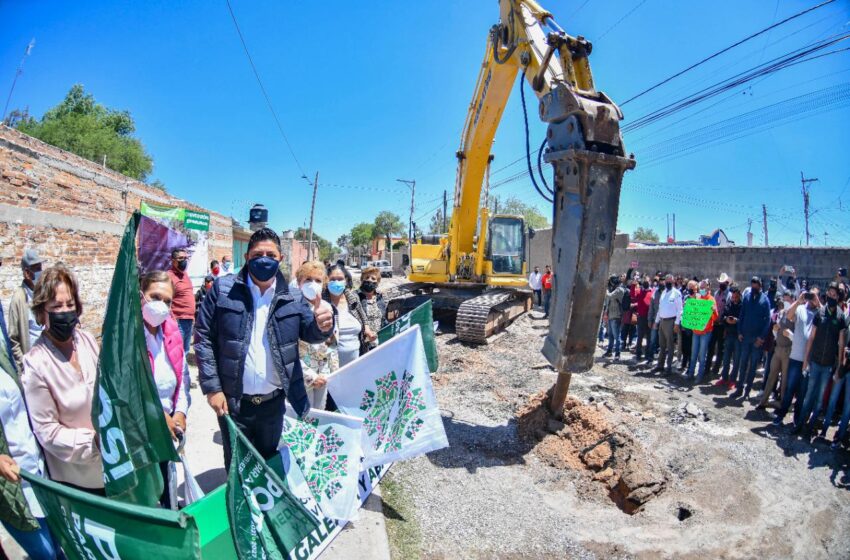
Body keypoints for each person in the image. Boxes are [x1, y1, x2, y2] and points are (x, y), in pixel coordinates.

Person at [195, 228, 334, 468]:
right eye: (258, 254)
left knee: (268, 465)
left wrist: (324, 326)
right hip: (233, 404)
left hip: (273, 404)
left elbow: (310, 332)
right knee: (237, 466)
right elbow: (203, 337)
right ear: (247, 257)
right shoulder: (222, 290)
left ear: (280, 258)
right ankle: (237, 505)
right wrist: (212, 388)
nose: (264, 258)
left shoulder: (293, 296)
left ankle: (263, 506)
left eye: (271, 254)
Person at [22, 265, 104, 493]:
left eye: (70, 304)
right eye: (57, 306)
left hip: (111, 467)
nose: (66, 311)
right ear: (41, 313)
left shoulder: (86, 340)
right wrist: (93, 442)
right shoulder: (36, 363)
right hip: (77, 482)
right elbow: (47, 431)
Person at [140, 271, 191, 508]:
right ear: (141, 295)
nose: (161, 306)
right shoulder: (130, 337)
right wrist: (159, 418)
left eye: (168, 301)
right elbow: (129, 388)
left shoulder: (171, 330)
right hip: (141, 432)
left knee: (168, 487)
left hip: (170, 427)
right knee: (147, 495)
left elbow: (182, 375)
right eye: (155, 297)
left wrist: (180, 411)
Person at [0, 368, 62, 560]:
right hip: (10, 488)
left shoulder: (3, 357)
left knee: (60, 542)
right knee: (45, 553)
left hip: (39, 470)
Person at [797, 282, 846, 435]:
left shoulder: (840, 317)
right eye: (829, 294)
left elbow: (841, 344)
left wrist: (839, 368)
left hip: (828, 365)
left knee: (819, 400)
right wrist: (806, 361)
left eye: (834, 294)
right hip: (815, 362)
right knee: (808, 396)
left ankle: (810, 428)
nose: (831, 296)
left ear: (838, 297)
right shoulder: (820, 313)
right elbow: (811, 338)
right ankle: (799, 425)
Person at [773, 288, 820, 428]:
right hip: (795, 357)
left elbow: (825, 317)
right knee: (789, 389)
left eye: (814, 295)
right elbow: (788, 315)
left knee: (802, 392)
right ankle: (781, 415)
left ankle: (797, 419)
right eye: (809, 295)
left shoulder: (819, 313)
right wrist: (799, 300)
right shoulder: (800, 309)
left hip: (809, 360)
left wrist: (817, 302)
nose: (811, 298)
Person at [296, 262, 337, 409]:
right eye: (307, 280)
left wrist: (332, 374)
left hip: (324, 376)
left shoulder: (329, 308)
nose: (313, 284)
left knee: (318, 418)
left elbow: (333, 345)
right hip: (301, 376)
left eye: (318, 280)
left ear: (324, 284)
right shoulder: (293, 309)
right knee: (302, 418)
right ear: (299, 283)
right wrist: (311, 376)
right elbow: (288, 350)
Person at [325, 264, 373, 367]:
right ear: (326, 281)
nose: (336, 282)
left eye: (340, 279)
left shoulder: (353, 298)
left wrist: (368, 330)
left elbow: (364, 318)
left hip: (357, 360)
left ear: (346, 280)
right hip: (330, 364)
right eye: (332, 279)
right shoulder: (322, 303)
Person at [731, 277, 771, 400]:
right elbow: (742, 315)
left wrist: (761, 338)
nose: (753, 287)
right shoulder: (747, 297)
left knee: (753, 366)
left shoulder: (765, 300)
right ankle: (739, 388)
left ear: (760, 285)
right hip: (745, 337)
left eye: (756, 285)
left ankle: (747, 391)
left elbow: (767, 321)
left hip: (756, 340)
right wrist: (739, 332)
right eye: (752, 285)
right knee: (742, 364)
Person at [8, 249, 45, 373]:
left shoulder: (44, 293)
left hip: (48, 359)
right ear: (27, 273)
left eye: (41, 267)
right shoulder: (18, 299)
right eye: (37, 268)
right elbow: (13, 338)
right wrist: (23, 363)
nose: (41, 272)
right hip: (32, 364)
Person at [757, 292, 794, 409]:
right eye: (784, 300)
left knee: (784, 379)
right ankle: (763, 401)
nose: (785, 302)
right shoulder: (782, 313)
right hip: (777, 349)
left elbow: (799, 337)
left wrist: (790, 335)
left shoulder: (796, 315)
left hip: (788, 351)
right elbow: (776, 332)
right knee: (771, 375)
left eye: (788, 300)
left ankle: (783, 405)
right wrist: (775, 330)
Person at [686, 279, 717, 383]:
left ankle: (699, 376)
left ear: (708, 287)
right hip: (696, 331)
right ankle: (690, 373)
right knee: (694, 353)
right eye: (701, 287)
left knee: (702, 355)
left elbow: (715, 318)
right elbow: (691, 311)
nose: (702, 289)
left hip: (706, 332)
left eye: (704, 287)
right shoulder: (697, 298)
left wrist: (713, 311)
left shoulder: (711, 300)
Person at [166, 248, 195, 357]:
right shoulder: (169, 276)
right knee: (176, 352)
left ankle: (182, 373)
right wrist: (172, 318)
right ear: (173, 260)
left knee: (186, 350)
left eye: (186, 258)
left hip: (188, 320)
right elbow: (165, 299)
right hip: (178, 320)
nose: (184, 261)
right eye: (181, 258)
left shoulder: (185, 274)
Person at [653, 274, 682, 374]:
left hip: (671, 321)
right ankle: (660, 365)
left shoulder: (677, 293)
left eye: (670, 281)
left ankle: (668, 367)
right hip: (662, 321)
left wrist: (677, 324)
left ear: (673, 282)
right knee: (662, 345)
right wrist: (656, 322)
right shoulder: (664, 292)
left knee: (670, 346)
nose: (668, 282)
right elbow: (660, 308)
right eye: (667, 281)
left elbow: (680, 311)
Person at [706, 273, 731, 374]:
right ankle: (707, 368)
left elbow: (728, 311)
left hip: (722, 325)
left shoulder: (729, 295)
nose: (721, 284)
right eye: (720, 282)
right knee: (711, 346)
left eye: (723, 282)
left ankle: (716, 368)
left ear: (726, 283)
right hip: (714, 324)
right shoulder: (716, 293)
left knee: (720, 347)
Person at [718, 287, 742, 387]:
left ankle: (732, 379)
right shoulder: (729, 304)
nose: (734, 298)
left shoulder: (743, 307)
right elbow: (722, 316)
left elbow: (744, 321)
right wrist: (726, 319)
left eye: (736, 297)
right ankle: (724, 377)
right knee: (726, 358)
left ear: (739, 296)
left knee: (736, 359)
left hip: (738, 336)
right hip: (728, 334)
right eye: (733, 297)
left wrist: (737, 321)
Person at [358, 266, 387, 347]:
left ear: (377, 282)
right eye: (367, 277)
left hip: (379, 341)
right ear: (362, 279)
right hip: (363, 343)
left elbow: (383, 319)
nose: (370, 280)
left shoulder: (380, 297)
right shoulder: (356, 297)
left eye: (373, 278)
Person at [602, 275, 625, 359]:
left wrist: (606, 288)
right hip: (611, 315)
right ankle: (609, 351)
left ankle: (617, 354)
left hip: (616, 316)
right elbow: (609, 302)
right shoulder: (615, 289)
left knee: (616, 336)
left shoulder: (619, 290)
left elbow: (609, 296)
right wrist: (606, 313)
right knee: (610, 335)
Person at [634, 279, 652, 361]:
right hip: (641, 317)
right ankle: (638, 354)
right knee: (640, 336)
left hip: (649, 317)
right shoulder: (639, 292)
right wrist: (634, 284)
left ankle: (647, 354)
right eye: (645, 282)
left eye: (647, 282)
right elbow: (633, 294)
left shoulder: (652, 292)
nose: (646, 283)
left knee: (649, 337)